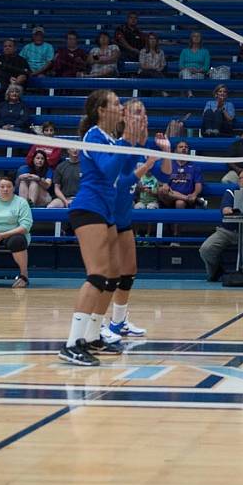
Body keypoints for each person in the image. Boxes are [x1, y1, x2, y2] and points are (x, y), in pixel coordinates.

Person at [59, 90, 133, 365]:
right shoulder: (93, 136)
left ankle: (91, 337)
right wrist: (127, 141)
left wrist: (135, 143)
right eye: (117, 102)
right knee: (97, 275)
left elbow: (124, 174)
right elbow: (109, 171)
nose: (122, 105)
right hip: (89, 208)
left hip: (107, 211)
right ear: (102, 110)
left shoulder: (110, 138)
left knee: (113, 276)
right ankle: (71, 344)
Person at [104, 98, 171, 341]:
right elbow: (121, 183)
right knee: (108, 274)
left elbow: (166, 173)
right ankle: (98, 324)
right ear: (123, 116)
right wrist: (148, 163)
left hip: (124, 218)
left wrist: (165, 151)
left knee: (129, 271)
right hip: (107, 217)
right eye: (135, 112)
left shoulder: (139, 146)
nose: (142, 116)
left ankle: (118, 322)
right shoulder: (116, 143)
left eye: (144, 112)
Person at [199, 169, 243, 281]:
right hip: (228, 231)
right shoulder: (230, 191)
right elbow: (225, 210)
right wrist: (233, 209)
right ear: (239, 181)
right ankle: (215, 271)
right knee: (206, 249)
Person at [158, 140, 203, 210]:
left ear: (188, 151)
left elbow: (198, 185)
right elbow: (161, 180)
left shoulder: (195, 166)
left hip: (187, 199)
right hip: (169, 198)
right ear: (175, 151)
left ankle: (187, 199)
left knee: (179, 203)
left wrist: (194, 194)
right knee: (161, 190)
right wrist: (165, 184)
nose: (184, 148)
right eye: (181, 147)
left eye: (186, 147)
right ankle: (190, 199)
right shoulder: (169, 164)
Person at [222, 120, 243, 184]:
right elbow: (229, 160)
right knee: (226, 180)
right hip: (237, 171)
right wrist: (238, 170)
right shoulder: (236, 144)